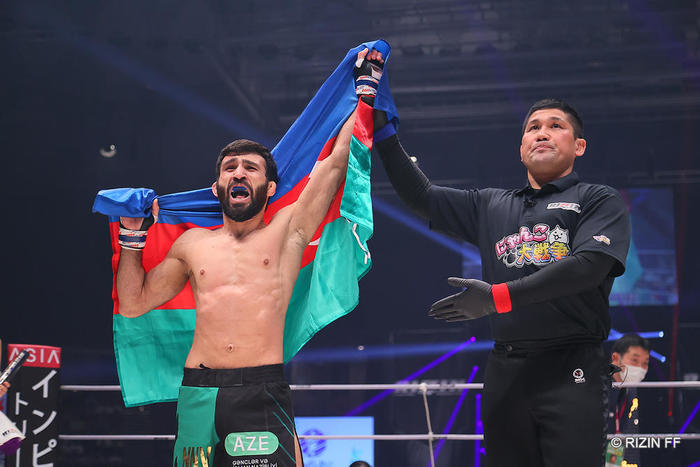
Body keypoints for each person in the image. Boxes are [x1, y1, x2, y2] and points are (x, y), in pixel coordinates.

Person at [116, 49, 384, 467]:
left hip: (261, 389)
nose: (238, 173)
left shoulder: (288, 232)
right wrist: (132, 237)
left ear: (270, 188)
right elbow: (134, 303)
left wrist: (364, 93)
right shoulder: (191, 244)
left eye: (250, 168)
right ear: (216, 188)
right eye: (230, 168)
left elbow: (335, 164)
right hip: (200, 391)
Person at [373, 98, 631, 466]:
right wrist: (385, 135)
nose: (542, 132)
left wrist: (498, 297)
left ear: (579, 146)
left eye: (556, 125)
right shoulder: (491, 204)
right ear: (522, 149)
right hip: (506, 368)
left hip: (572, 365)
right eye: (533, 127)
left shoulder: (597, 199)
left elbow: (588, 266)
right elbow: (422, 197)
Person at [607, 333, 650, 466]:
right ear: (615, 359)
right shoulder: (597, 387)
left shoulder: (629, 391)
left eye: (645, 363)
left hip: (613, 450)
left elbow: (617, 431)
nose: (640, 368)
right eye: (634, 360)